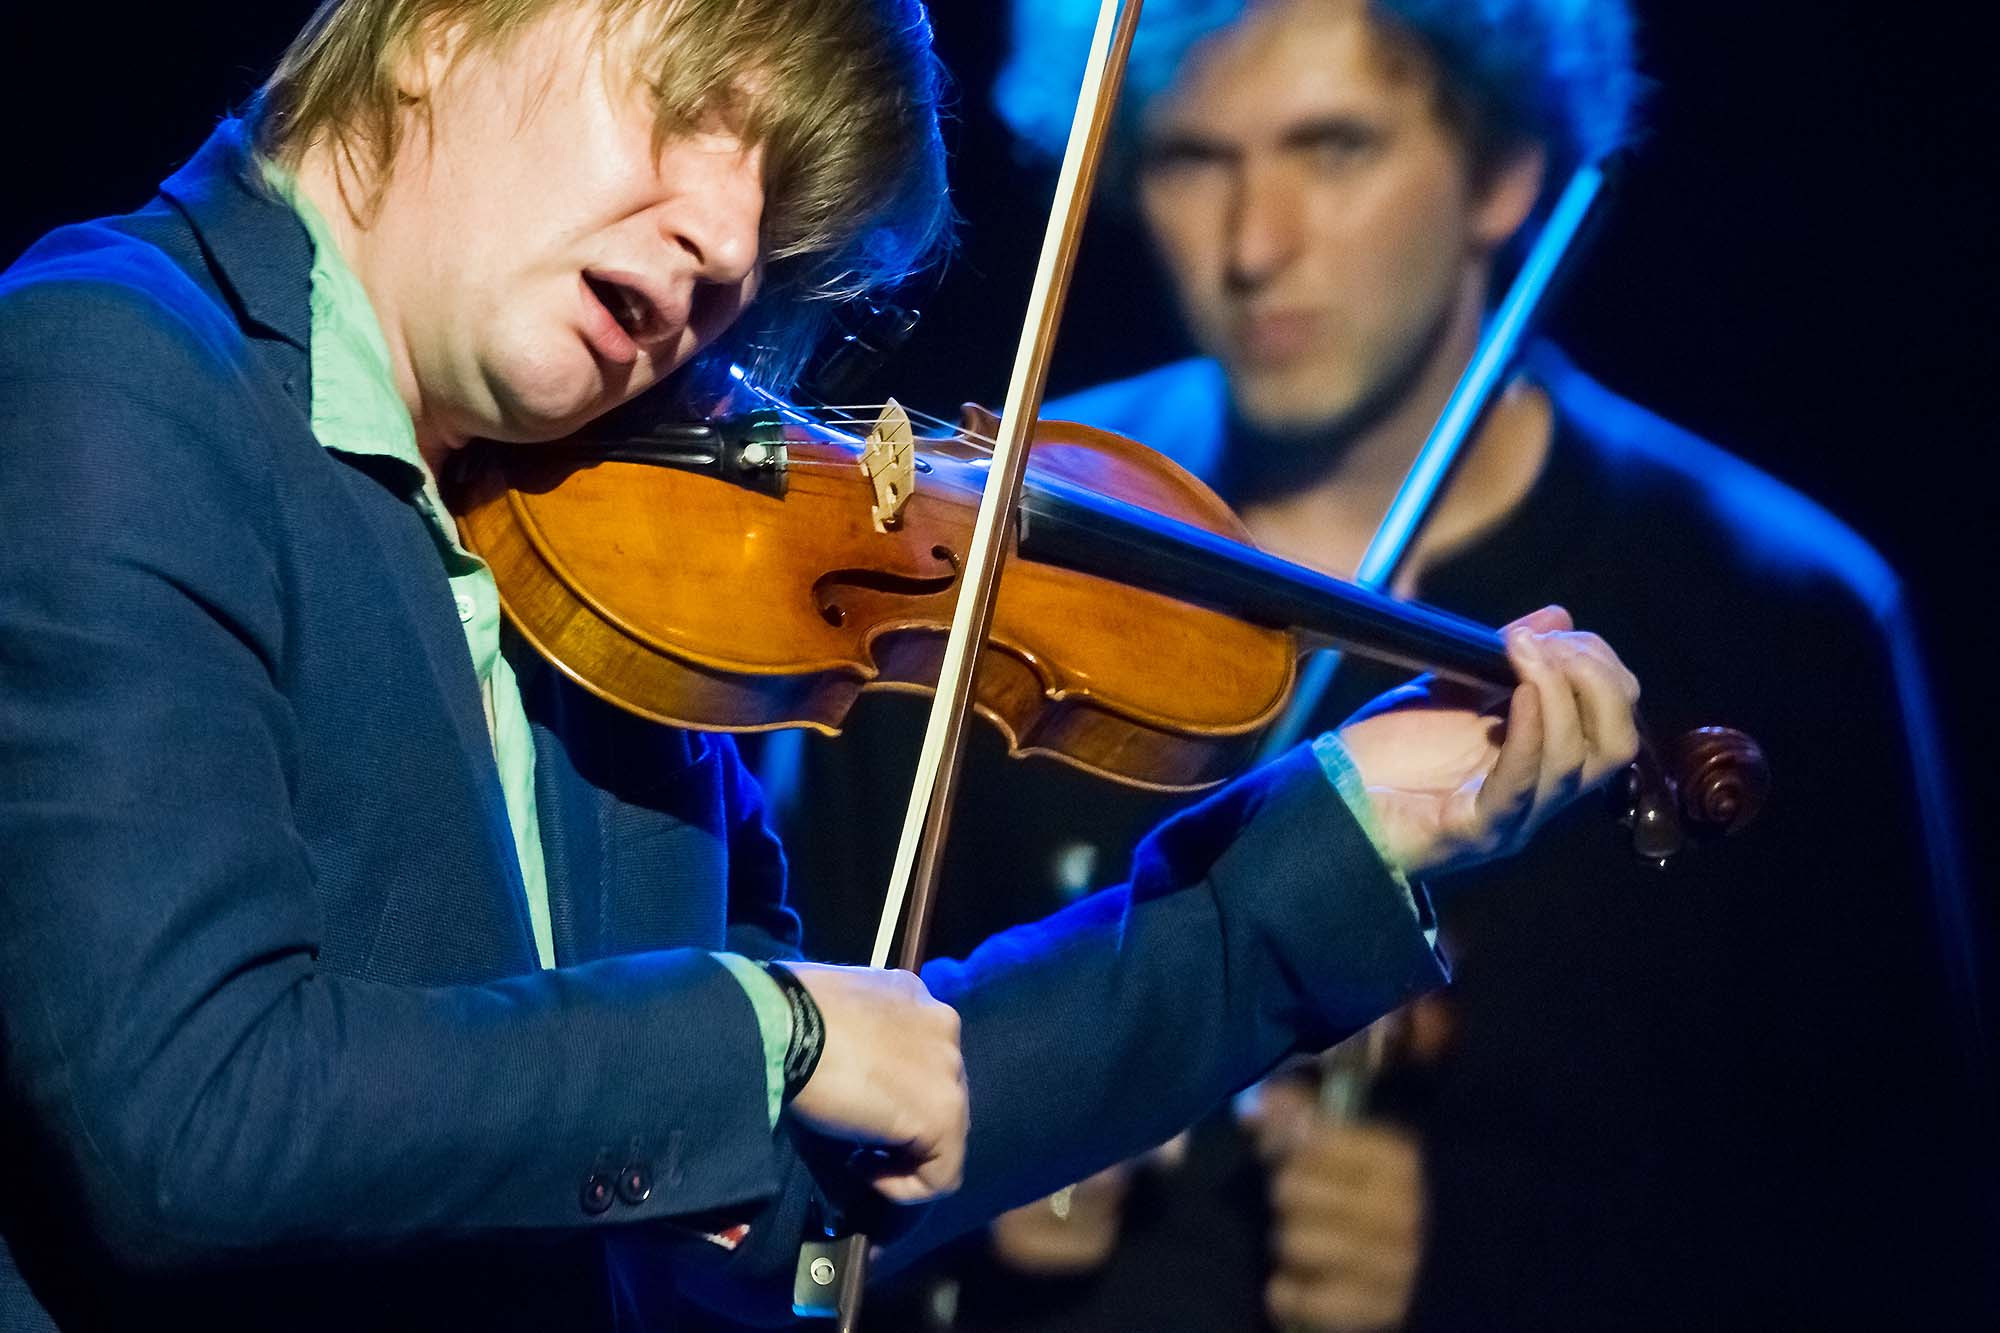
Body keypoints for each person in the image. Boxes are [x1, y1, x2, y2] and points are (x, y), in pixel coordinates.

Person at [0, 1, 1651, 1329]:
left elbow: (808, 1168)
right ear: (439, 27)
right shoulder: (114, 372)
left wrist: (1331, 842)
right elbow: (192, 1118)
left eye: (775, 207)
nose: (730, 240)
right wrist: (768, 1031)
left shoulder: (605, 539)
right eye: (682, 106)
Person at [762, 0, 1992, 1328]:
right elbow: (773, 1165)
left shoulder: (1778, 609)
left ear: (1504, 167)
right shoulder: (980, 536)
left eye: (1335, 148)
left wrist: (1497, 1261)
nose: (1254, 244)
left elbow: (1892, 1231)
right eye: (1193, 160)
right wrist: (964, 1195)